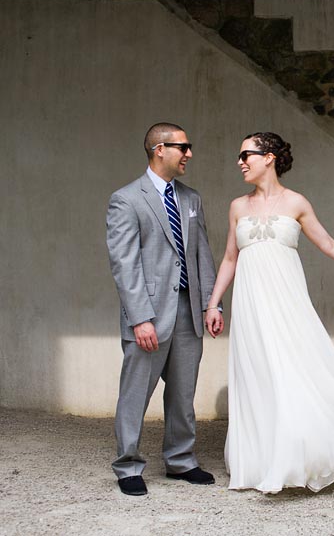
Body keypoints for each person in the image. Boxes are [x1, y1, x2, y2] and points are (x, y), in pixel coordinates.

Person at [207, 132, 334, 493]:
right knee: (258, 376)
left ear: (268, 157)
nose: (240, 161)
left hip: (287, 304)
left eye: (246, 155)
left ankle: (307, 454)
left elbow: (329, 244)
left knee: (295, 370)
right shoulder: (238, 206)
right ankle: (263, 463)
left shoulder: (296, 202)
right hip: (251, 307)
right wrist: (214, 302)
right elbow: (229, 258)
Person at [106, 122, 224, 496]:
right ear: (160, 149)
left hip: (189, 313)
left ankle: (181, 460)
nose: (189, 153)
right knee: (136, 392)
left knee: (182, 392)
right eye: (183, 147)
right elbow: (125, 264)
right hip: (150, 315)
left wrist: (212, 303)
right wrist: (140, 318)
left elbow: (202, 253)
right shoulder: (126, 199)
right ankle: (128, 466)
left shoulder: (191, 199)